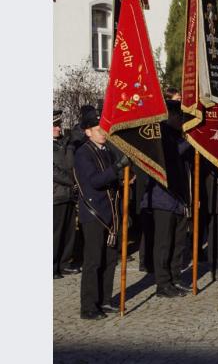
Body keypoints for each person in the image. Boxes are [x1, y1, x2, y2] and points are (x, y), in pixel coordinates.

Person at [73, 105, 129, 319]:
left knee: (109, 259)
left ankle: (105, 300)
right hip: (94, 213)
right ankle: (88, 306)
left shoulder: (106, 150)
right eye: (98, 129)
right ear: (88, 131)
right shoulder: (83, 153)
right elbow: (95, 181)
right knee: (93, 261)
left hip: (111, 212)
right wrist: (116, 169)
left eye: (104, 128)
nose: (103, 133)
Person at [139, 100, 192, 298]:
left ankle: (175, 277)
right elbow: (168, 157)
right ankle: (163, 283)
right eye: (178, 116)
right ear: (168, 115)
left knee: (178, 242)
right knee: (163, 243)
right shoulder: (159, 134)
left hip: (179, 198)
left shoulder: (177, 135)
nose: (181, 121)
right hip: (162, 198)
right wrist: (190, 141)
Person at [54, 109, 80, 279]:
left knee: (69, 232)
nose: (59, 128)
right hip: (55, 195)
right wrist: (72, 181)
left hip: (68, 194)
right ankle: (52, 266)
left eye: (59, 124)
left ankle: (64, 263)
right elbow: (53, 172)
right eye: (55, 125)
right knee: (55, 233)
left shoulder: (63, 143)